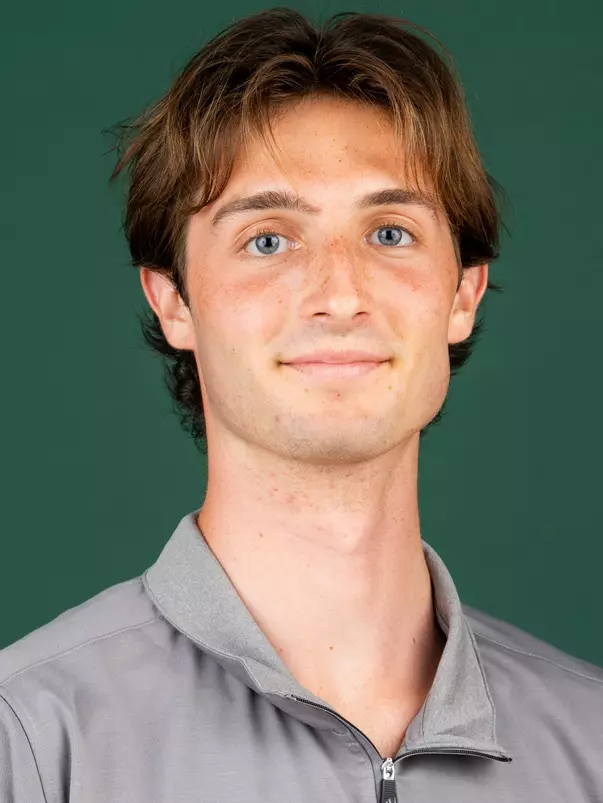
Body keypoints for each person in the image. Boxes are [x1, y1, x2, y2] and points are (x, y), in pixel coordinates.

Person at [1, 7, 601, 802]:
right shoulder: (29, 735)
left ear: (462, 293)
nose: (339, 293)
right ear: (172, 301)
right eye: (267, 239)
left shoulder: (590, 739)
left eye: (389, 233)